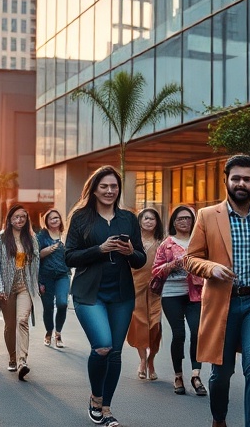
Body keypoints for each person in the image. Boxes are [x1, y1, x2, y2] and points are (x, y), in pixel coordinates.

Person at [185, 154, 250, 427]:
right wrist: (211, 269)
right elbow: (190, 258)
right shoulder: (207, 216)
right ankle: (219, 419)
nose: (241, 183)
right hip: (223, 303)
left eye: (247, 178)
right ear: (226, 181)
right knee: (221, 374)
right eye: (236, 178)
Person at [65, 165, 146, 427]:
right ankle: (95, 398)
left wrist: (130, 251)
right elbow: (69, 257)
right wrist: (100, 249)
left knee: (115, 353)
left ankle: (106, 409)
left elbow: (140, 261)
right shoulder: (80, 218)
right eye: (104, 186)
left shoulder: (128, 219)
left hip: (121, 294)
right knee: (102, 346)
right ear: (94, 188)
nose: (110, 191)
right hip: (89, 293)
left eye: (114, 186)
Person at [153, 204, 206, 396]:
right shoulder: (166, 244)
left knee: (197, 332)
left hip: (195, 293)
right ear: (173, 222)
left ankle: (196, 374)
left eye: (188, 218)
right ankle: (177, 375)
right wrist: (171, 265)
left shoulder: (199, 241)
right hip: (171, 294)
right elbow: (155, 270)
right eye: (180, 218)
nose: (184, 221)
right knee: (179, 334)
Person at [0, 204, 41, 380]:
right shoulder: (1, 239)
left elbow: (36, 264)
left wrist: (36, 284)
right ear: (10, 219)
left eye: (23, 217)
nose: (20, 220)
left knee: (22, 320)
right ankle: (12, 357)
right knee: (10, 325)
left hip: (24, 286)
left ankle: (22, 362)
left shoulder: (31, 239)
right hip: (7, 287)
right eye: (16, 217)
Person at [127, 207, 164, 381]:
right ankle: (143, 360)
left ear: (157, 222)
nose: (148, 221)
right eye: (145, 218)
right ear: (140, 221)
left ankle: (151, 360)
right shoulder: (132, 241)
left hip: (156, 289)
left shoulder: (162, 242)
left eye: (152, 218)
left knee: (155, 327)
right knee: (139, 325)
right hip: (135, 288)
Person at [36, 208, 69, 348]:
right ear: (46, 221)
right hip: (46, 276)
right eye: (51, 218)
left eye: (57, 217)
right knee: (48, 307)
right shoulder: (41, 236)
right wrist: (47, 250)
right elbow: (35, 256)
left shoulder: (65, 235)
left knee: (62, 303)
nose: (55, 220)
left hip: (63, 275)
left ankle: (58, 333)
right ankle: (49, 332)